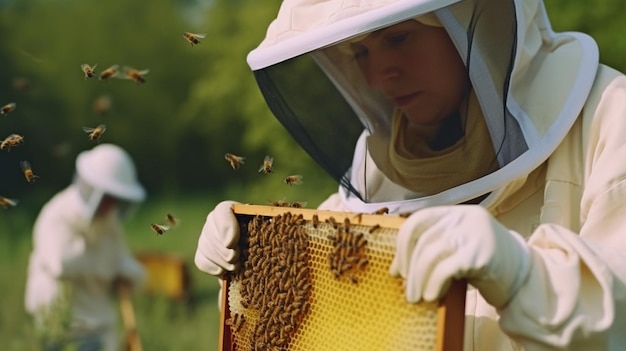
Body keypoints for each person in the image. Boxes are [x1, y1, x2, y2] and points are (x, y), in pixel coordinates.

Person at [194, 0, 626, 349]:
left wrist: (521, 275)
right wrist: (247, 263)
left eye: (399, 38)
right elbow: (308, 320)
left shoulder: (609, 118)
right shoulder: (375, 173)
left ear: (472, 18)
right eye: (360, 52)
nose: (379, 76)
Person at [25, 143, 147, 351]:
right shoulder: (56, 216)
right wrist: (111, 265)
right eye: (108, 198)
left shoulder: (108, 222)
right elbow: (61, 263)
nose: (111, 206)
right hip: (60, 329)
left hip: (98, 327)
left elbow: (126, 264)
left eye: (115, 200)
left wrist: (127, 272)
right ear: (93, 189)